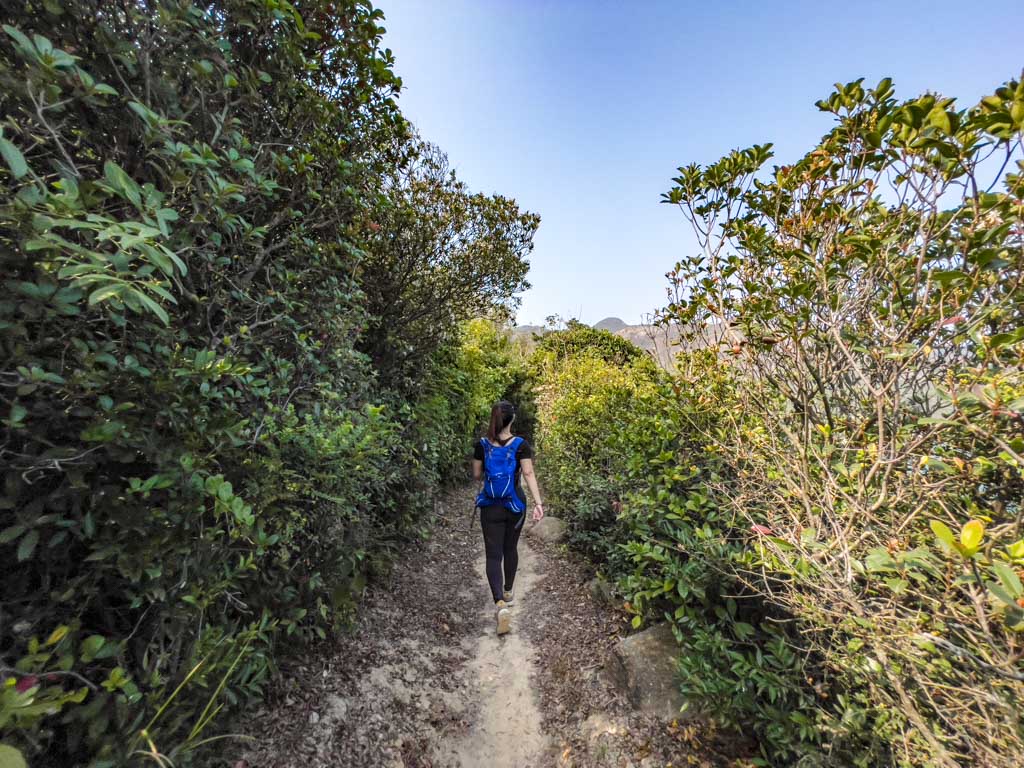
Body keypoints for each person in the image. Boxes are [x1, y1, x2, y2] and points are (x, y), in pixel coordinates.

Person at [473, 400, 544, 635]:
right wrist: (538, 503)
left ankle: (499, 605)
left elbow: (476, 475)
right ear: (512, 419)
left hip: (490, 506)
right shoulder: (521, 445)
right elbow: (529, 473)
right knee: (510, 548)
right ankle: (507, 590)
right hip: (515, 504)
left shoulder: (482, 445)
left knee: (493, 555)